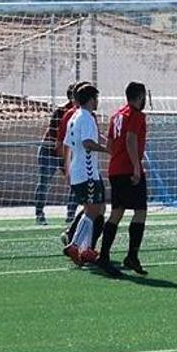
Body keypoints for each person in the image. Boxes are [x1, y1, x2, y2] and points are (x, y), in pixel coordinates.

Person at [98, 81, 149, 277]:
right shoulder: (135, 115)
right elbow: (130, 139)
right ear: (140, 96)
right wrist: (137, 167)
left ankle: (104, 256)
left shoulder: (116, 115)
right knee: (140, 211)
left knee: (117, 213)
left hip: (115, 169)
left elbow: (110, 145)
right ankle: (131, 255)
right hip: (128, 170)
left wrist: (118, 158)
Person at [61, 85, 108, 266]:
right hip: (87, 172)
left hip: (79, 171)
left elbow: (67, 144)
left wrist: (67, 170)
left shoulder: (75, 116)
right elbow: (87, 143)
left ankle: (86, 248)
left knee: (98, 209)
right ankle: (75, 245)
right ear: (91, 99)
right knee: (92, 211)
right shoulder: (86, 117)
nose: (98, 101)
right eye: (96, 98)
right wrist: (107, 150)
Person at [34, 82, 78, 226]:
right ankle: (39, 214)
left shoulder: (83, 113)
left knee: (76, 183)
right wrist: (65, 161)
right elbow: (56, 141)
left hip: (67, 152)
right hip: (50, 151)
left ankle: (70, 217)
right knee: (44, 183)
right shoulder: (60, 113)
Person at [56, 81, 92, 224]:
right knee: (94, 207)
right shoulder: (79, 116)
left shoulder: (77, 115)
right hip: (84, 167)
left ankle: (72, 231)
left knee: (91, 206)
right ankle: (73, 235)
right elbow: (66, 142)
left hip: (81, 166)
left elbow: (66, 142)